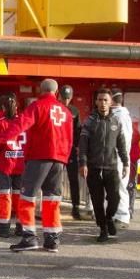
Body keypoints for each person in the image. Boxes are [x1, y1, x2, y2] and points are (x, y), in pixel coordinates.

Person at [7, 79, 74, 253]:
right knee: (52, 199)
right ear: (57, 92)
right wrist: (64, 158)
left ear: (40, 90)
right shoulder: (66, 112)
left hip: (39, 157)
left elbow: (20, 124)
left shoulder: (37, 106)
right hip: (59, 159)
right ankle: (52, 239)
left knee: (27, 197)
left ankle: (29, 237)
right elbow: (70, 138)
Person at [79, 88, 128, 242]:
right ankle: (103, 229)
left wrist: (126, 163)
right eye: (100, 100)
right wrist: (83, 163)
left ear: (111, 102)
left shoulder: (116, 121)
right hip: (93, 168)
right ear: (96, 102)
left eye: (105, 100)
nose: (102, 103)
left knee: (115, 199)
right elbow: (83, 145)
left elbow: (121, 144)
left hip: (111, 167)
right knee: (97, 201)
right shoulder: (89, 121)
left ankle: (108, 218)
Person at [0, 94, 24, 238]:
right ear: (17, 107)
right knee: (19, 196)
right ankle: (21, 226)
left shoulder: (1, 123)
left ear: (2, 107)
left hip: (4, 165)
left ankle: (3, 227)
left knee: (4, 195)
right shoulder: (22, 121)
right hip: (20, 164)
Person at [59, 85, 82, 220]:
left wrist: (78, 146)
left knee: (73, 179)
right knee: (55, 179)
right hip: (58, 149)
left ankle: (76, 207)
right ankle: (53, 205)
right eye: (64, 97)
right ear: (59, 96)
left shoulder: (75, 111)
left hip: (71, 150)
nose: (66, 100)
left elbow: (78, 130)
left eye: (68, 98)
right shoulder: (55, 109)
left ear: (71, 97)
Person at [110, 90, 133, 228]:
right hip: (118, 155)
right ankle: (116, 214)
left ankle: (123, 216)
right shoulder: (121, 115)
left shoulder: (120, 117)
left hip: (118, 156)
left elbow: (122, 139)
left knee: (119, 186)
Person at [128, 120, 140, 217]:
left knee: (131, 185)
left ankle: (129, 209)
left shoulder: (128, 122)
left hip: (132, 158)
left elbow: (137, 136)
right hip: (129, 157)